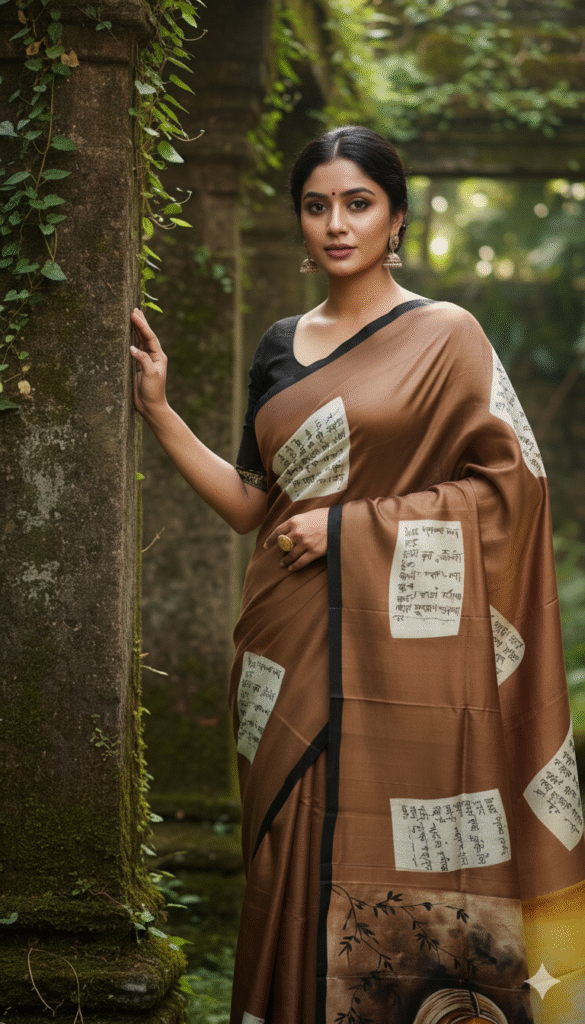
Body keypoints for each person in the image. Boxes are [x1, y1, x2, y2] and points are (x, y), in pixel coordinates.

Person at [130, 126, 585, 1024]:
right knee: (289, 853)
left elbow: (512, 492)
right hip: (285, 641)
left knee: (400, 847)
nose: (335, 224)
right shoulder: (277, 346)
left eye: (356, 203)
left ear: (395, 217)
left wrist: (349, 530)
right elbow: (254, 506)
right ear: (299, 222)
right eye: (316, 206)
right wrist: (159, 412)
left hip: (400, 643)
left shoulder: (446, 335)